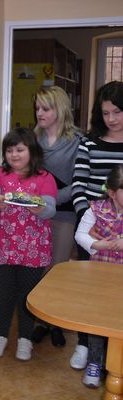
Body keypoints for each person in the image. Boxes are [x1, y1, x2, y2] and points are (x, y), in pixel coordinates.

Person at [0, 127, 57, 361]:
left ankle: (25, 339)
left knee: (28, 294)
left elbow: (50, 209)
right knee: (5, 291)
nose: (14, 155)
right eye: (9, 150)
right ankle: (0, 335)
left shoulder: (45, 177)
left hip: (34, 246)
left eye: (19, 150)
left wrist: (40, 208)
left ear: (31, 151)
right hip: (2, 244)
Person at [71, 80, 123, 372]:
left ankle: (114, 349)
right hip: (92, 226)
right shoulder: (88, 142)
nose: (111, 119)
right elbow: (79, 183)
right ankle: (84, 344)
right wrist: (87, 217)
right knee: (90, 290)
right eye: (106, 113)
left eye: (117, 111)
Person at [31, 86, 82, 347]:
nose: (39, 113)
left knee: (57, 268)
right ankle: (41, 322)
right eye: (37, 108)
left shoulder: (78, 142)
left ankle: (56, 323)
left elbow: (79, 183)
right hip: (35, 214)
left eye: (46, 108)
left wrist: (50, 200)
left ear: (59, 110)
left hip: (63, 213)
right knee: (38, 266)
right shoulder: (32, 139)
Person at [74, 164, 123, 388]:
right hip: (100, 275)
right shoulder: (95, 209)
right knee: (97, 321)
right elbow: (80, 234)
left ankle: (115, 365)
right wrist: (97, 244)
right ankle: (94, 363)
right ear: (112, 192)